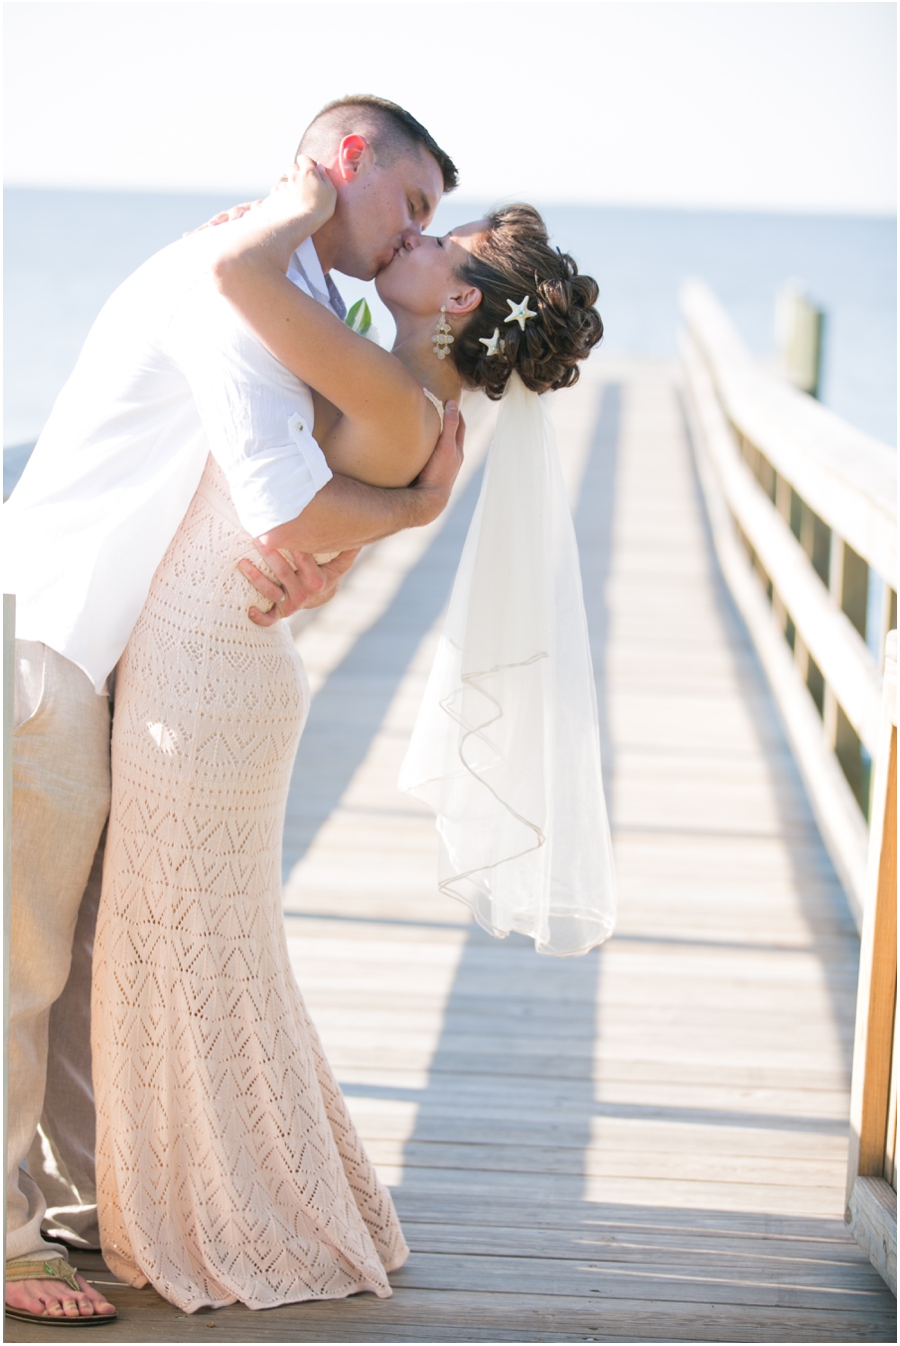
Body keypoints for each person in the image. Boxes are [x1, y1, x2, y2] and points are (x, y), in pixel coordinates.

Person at [87, 161, 604, 1313]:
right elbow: (319, 532)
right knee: (205, 952)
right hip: (225, 663)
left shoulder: (388, 389)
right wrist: (403, 515)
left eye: (437, 238)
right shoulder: (418, 405)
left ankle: (221, 1212)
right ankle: (249, 1192)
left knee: (171, 948)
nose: (411, 240)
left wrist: (296, 206)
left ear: (463, 302)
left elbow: (232, 274)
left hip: (209, 671)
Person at [4, 94, 464, 1326]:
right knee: (25, 956)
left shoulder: (304, 298)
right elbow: (281, 506)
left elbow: (292, 499)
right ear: (346, 161)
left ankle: (104, 1206)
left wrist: (325, 552)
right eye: (412, 203)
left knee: (96, 949)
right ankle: (4, 1239)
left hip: (114, 655)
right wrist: (407, 517)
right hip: (46, 634)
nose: (415, 232)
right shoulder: (233, 278)